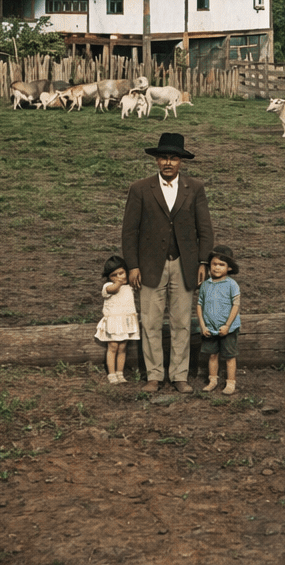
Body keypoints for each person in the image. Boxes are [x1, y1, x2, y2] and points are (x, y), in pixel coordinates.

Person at [122, 133, 214, 393]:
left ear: (181, 161)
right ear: (156, 160)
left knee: (181, 323)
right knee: (151, 321)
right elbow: (129, 231)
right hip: (150, 265)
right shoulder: (140, 188)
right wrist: (133, 266)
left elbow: (205, 229)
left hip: (184, 264)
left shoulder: (194, 188)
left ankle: (179, 375)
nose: (168, 163)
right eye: (163, 158)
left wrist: (202, 261)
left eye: (173, 158)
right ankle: (153, 375)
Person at [197, 245, 242, 395]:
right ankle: (212, 381)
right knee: (212, 355)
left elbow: (236, 305)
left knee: (229, 356)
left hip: (227, 328)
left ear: (229, 268)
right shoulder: (205, 285)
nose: (217, 267)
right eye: (214, 264)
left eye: (221, 264)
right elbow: (199, 305)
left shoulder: (231, 284)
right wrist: (203, 326)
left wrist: (227, 325)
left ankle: (230, 382)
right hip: (210, 328)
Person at [95, 255, 139, 384]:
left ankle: (120, 373)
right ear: (109, 277)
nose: (119, 277)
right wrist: (118, 283)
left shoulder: (129, 286)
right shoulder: (108, 286)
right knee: (113, 346)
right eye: (114, 275)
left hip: (125, 322)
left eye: (121, 273)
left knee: (122, 348)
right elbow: (112, 290)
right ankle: (111, 373)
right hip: (114, 323)